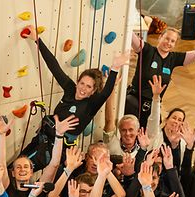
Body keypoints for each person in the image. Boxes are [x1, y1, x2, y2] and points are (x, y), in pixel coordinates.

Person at [19, 35, 130, 169]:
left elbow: (106, 93)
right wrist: (37, 40)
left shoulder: (90, 105)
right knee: (15, 166)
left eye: (89, 87)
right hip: (43, 138)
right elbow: (54, 66)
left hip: (53, 148)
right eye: (82, 83)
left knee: (18, 169)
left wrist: (115, 69)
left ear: (93, 91)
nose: (83, 88)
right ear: (77, 82)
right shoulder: (70, 89)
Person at [125, 25, 195, 125]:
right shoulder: (147, 50)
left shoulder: (174, 58)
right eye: (166, 39)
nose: (168, 43)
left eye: (172, 41)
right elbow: (131, 35)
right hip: (134, 100)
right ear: (160, 37)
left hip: (153, 105)